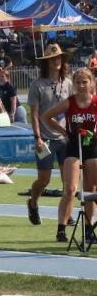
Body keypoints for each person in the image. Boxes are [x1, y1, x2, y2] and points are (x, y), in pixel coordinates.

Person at [42, 67, 97, 243]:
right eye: (78, 82)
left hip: (92, 146)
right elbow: (47, 117)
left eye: (85, 82)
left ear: (91, 83)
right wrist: (64, 132)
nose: (81, 85)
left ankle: (88, 229)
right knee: (71, 189)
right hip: (73, 146)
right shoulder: (70, 102)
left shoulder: (95, 102)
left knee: (91, 191)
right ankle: (61, 229)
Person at [26, 44, 73, 229]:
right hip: (45, 138)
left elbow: (71, 110)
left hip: (64, 137)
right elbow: (34, 113)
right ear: (47, 62)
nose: (57, 61)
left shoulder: (68, 83)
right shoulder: (38, 85)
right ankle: (33, 202)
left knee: (67, 180)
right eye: (53, 58)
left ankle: (66, 214)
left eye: (59, 58)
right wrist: (37, 137)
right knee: (44, 179)